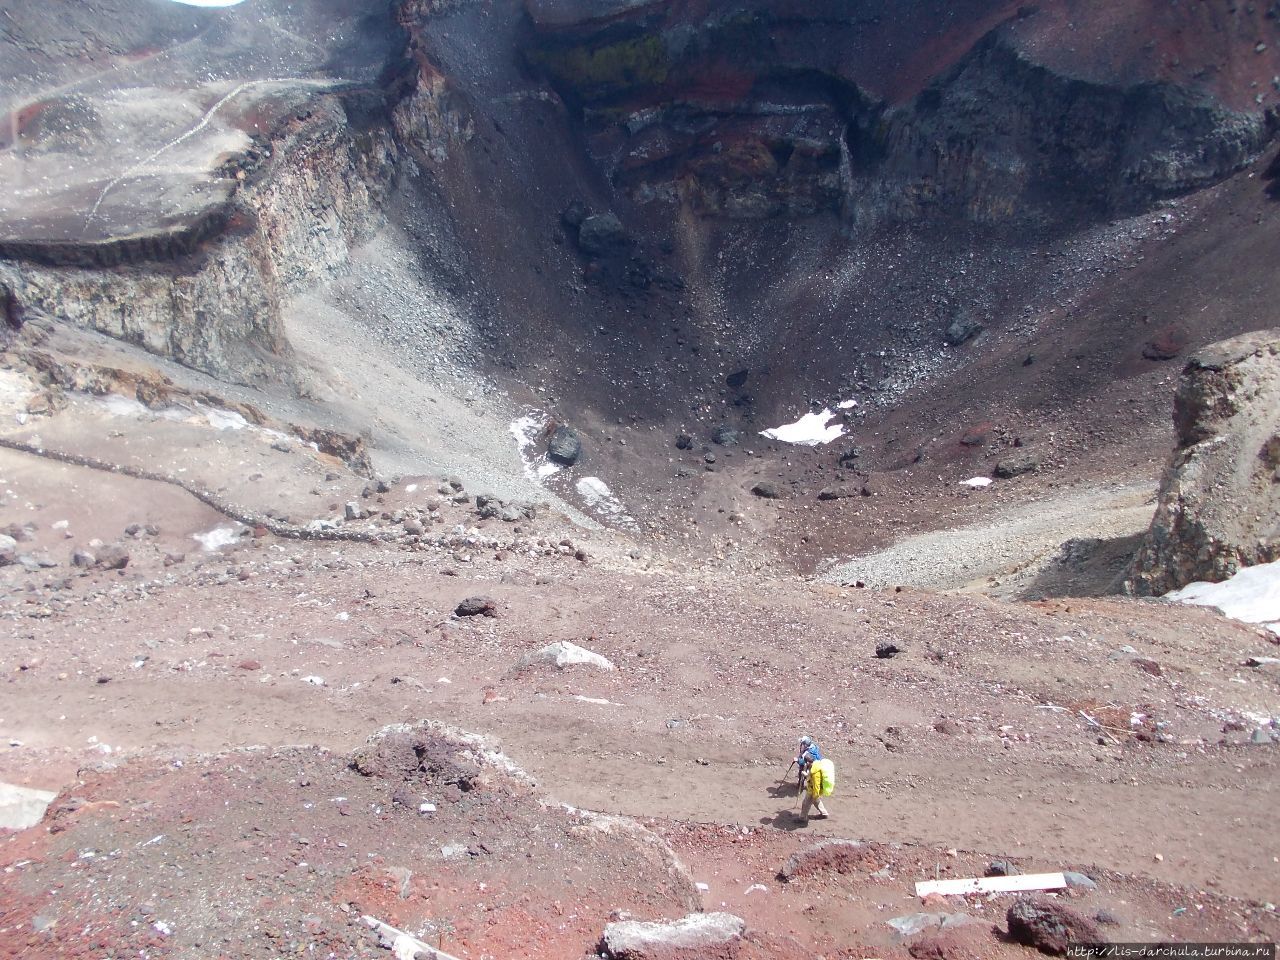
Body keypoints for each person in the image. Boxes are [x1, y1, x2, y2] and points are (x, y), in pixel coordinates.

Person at [800, 754, 835, 823]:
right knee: (816, 801)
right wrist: (806, 775)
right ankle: (824, 814)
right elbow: (811, 777)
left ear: (808, 762)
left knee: (805, 804)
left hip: (813, 790)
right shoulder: (815, 766)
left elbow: (816, 785)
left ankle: (802, 818)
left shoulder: (815, 773)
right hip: (814, 790)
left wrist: (815, 795)